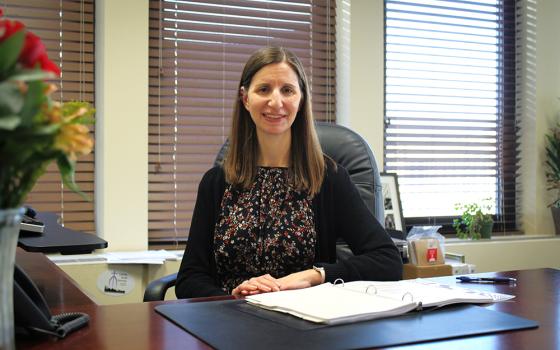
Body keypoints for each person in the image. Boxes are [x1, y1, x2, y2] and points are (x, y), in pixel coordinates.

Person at [175, 46, 402, 299]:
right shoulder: (216, 182)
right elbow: (190, 278)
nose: (276, 102)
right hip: (230, 318)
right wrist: (232, 298)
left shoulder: (328, 179)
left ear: (301, 98)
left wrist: (315, 275)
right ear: (245, 98)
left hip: (307, 321)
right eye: (263, 89)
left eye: (287, 90)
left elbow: (387, 260)